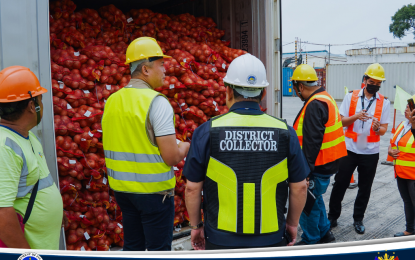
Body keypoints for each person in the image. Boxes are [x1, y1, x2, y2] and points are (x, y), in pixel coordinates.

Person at [183, 54, 308, 250]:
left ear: (228, 91)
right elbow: (300, 187)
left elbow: (192, 188)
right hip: (271, 238)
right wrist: (292, 224)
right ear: (263, 93)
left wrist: (196, 226)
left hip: (220, 239)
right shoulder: (285, 132)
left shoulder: (206, 131)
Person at [102, 37, 190, 251]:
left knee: (133, 247)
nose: (165, 70)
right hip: (154, 195)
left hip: (123, 192)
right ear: (145, 69)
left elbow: (134, 138)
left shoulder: (112, 100)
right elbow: (171, 157)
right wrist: (187, 146)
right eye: (161, 64)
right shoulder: (156, 102)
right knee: (158, 251)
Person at [0, 66, 65, 249]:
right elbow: (2, 214)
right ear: (32, 106)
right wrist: (28, 256)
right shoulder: (4, 147)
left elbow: (37, 181)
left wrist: (57, 212)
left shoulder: (28, 136)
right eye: (40, 100)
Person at [328, 63, 390, 234]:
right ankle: (332, 216)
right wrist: (355, 117)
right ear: (365, 80)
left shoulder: (384, 102)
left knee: (365, 187)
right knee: (340, 183)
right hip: (349, 149)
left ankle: (358, 219)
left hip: (370, 152)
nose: (375, 85)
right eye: (372, 81)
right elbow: (340, 121)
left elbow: (384, 129)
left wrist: (378, 128)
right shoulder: (351, 96)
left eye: (378, 83)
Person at [291, 64, 347, 245]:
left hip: (317, 165)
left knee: (307, 204)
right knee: (316, 199)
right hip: (327, 163)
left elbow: (312, 142)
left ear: (300, 86)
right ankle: (325, 233)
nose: (295, 92)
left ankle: (310, 240)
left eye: (295, 88)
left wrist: (304, 173)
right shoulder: (325, 97)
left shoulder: (314, 104)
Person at [389, 99, 415, 237]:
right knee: (407, 202)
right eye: (406, 106)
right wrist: (390, 150)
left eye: (409, 108)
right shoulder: (402, 125)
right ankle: (410, 230)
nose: (405, 109)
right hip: (400, 172)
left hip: (413, 175)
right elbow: (392, 143)